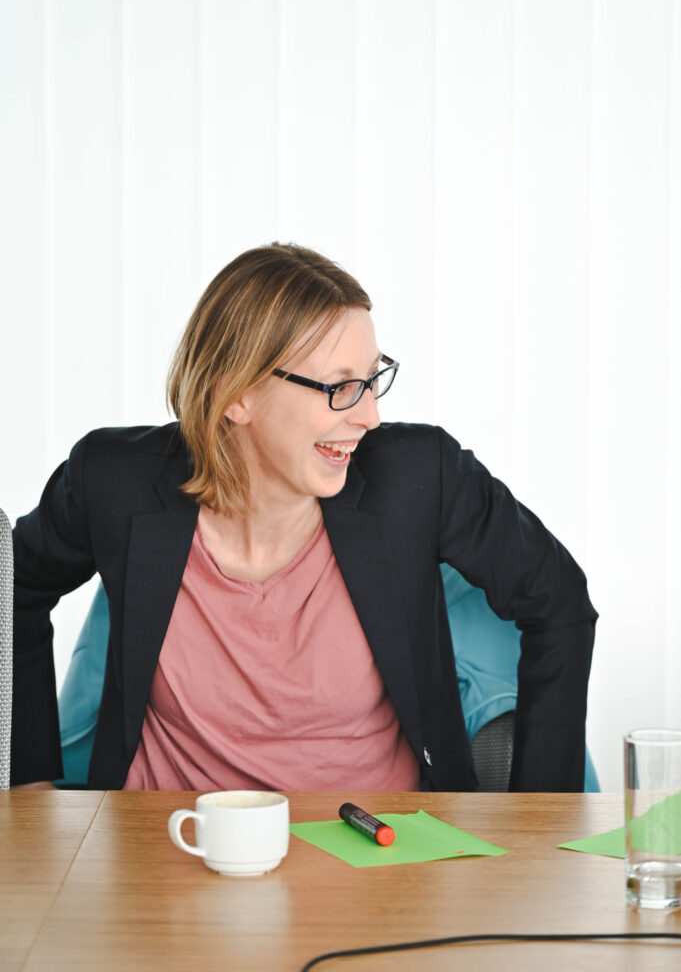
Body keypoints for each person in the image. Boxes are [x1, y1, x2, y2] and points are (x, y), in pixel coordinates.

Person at [11, 243, 597, 792]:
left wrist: (540, 818)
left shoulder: (421, 478)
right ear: (235, 394)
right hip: (173, 844)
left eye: (373, 379)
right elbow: (13, 586)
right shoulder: (113, 480)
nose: (369, 416)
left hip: (379, 846)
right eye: (340, 388)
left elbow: (559, 601)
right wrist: (28, 790)